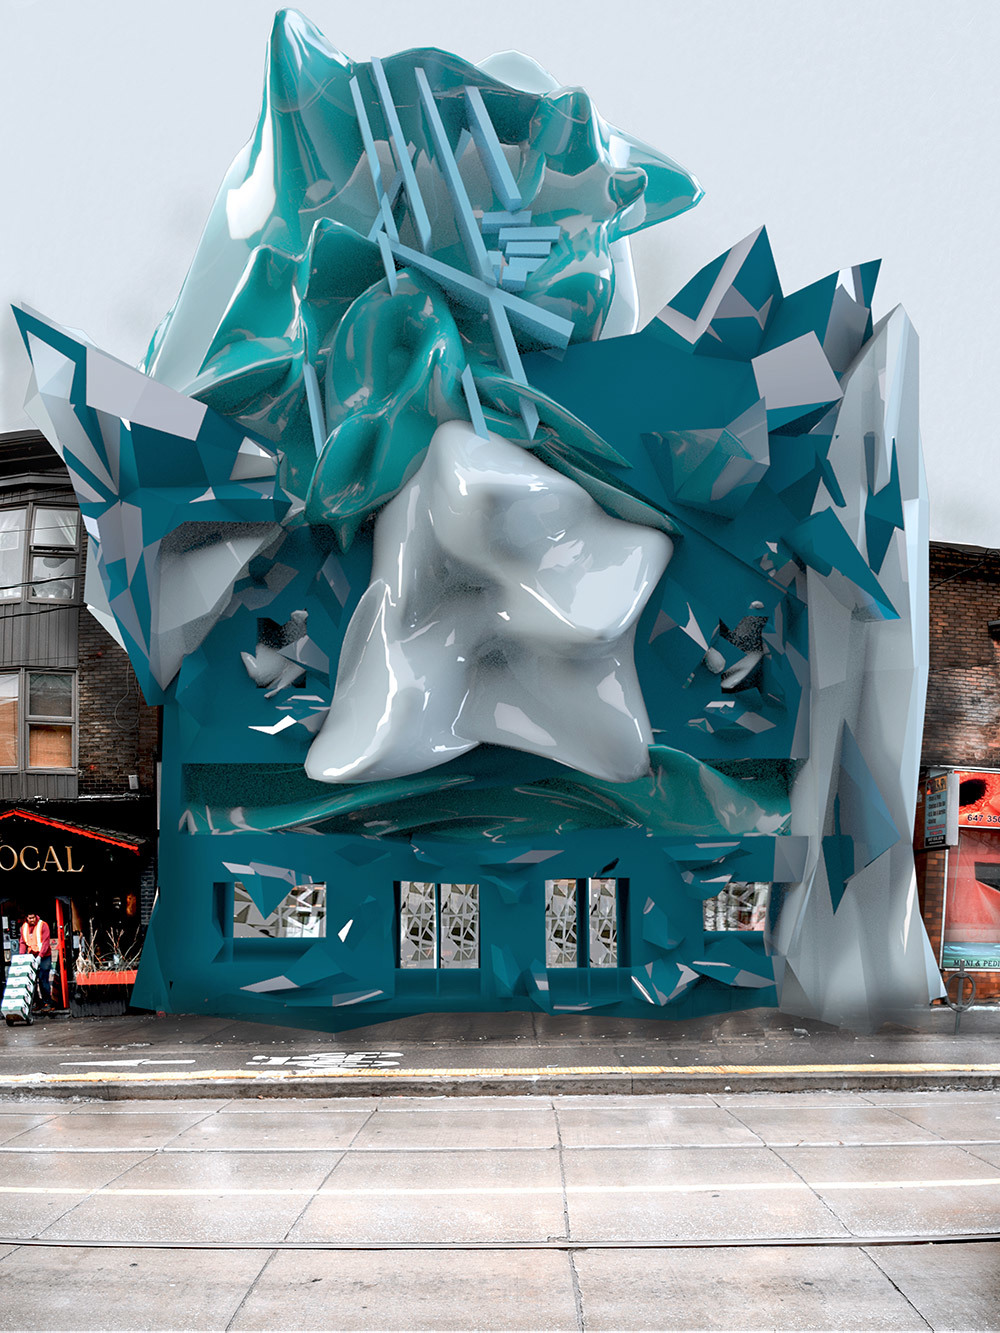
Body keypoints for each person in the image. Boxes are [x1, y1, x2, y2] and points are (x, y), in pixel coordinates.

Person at [19, 913, 52, 1009]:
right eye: (30, 918)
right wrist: (22, 956)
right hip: (32, 955)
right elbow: (22, 942)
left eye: (33, 918)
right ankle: (37, 1003)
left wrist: (40, 956)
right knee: (31, 980)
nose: (32, 920)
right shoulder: (24, 927)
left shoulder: (43, 925)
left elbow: (46, 942)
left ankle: (47, 1002)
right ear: (27, 918)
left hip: (44, 956)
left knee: (43, 978)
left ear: (36, 917)